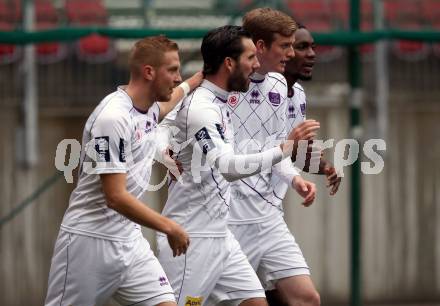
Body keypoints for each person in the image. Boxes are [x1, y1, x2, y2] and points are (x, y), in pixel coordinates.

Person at [156, 25, 320, 306]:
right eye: (250, 58)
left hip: (222, 237)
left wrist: (291, 172)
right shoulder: (202, 108)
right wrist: (285, 148)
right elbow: (228, 168)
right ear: (229, 63)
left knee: (261, 302)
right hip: (191, 239)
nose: (256, 65)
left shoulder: (219, 101)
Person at [45, 35, 203, 306]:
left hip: (130, 242)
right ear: (149, 72)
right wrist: (168, 226)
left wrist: (199, 78)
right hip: (89, 242)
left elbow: (168, 103)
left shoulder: (149, 107)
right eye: (173, 70)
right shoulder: (112, 118)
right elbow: (114, 196)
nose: (178, 77)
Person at [227, 8, 321, 306]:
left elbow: (279, 149)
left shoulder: (280, 86)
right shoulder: (219, 86)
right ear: (260, 46)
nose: (291, 54)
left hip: (268, 218)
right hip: (227, 220)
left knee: (307, 298)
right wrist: (168, 151)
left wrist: (295, 180)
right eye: (286, 46)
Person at [265, 24, 342, 306]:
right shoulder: (248, 93)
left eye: (313, 47)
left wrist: (323, 167)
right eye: (301, 47)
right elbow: (252, 151)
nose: (311, 54)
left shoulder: (296, 94)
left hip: (269, 215)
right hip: (234, 217)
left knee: (305, 299)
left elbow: (292, 152)